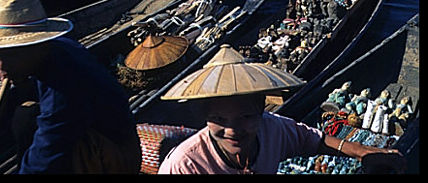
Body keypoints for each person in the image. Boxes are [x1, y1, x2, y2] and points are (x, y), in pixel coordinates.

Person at [0, 0, 142, 174]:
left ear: (32, 47)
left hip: (117, 156)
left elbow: (45, 157)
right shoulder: (52, 50)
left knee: (70, 152)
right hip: (85, 129)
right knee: (23, 116)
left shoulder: (63, 87)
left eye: (7, 58)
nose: (1, 70)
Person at [157, 46, 406, 174]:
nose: (232, 130)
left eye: (245, 117)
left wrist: (363, 151)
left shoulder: (271, 128)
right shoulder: (185, 165)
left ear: (260, 110)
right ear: (205, 118)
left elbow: (313, 140)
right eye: (219, 119)